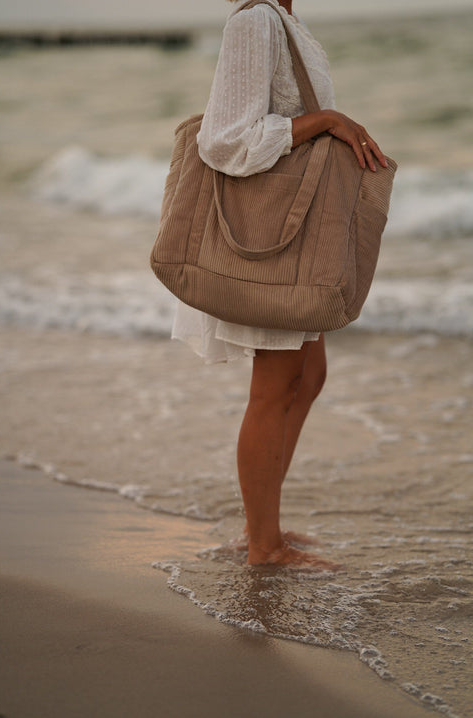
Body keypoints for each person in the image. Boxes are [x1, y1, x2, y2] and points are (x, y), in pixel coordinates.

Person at [171, 0, 387, 567]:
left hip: (288, 236)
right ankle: (264, 545)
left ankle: (261, 528)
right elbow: (223, 140)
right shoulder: (255, 21)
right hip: (268, 238)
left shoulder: (285, 21)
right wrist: (327, 121)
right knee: (275, 386)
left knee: (308, 374)